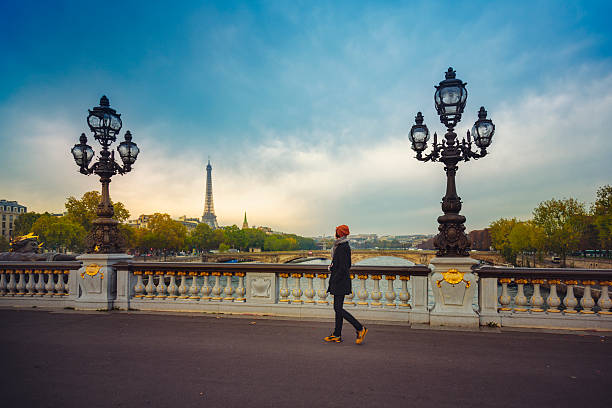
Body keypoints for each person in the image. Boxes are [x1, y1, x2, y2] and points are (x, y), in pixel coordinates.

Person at [324, 224, 368, 344]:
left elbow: (344, 267)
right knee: (338, 308)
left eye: (337, 231)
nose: (335, 233)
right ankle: (337, 334)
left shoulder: (342, 247)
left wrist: (334, 279)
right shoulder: (341, 246)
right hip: (341, 281)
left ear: (340, 233)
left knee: (337, 308)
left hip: (340, 282)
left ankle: (360, 328)